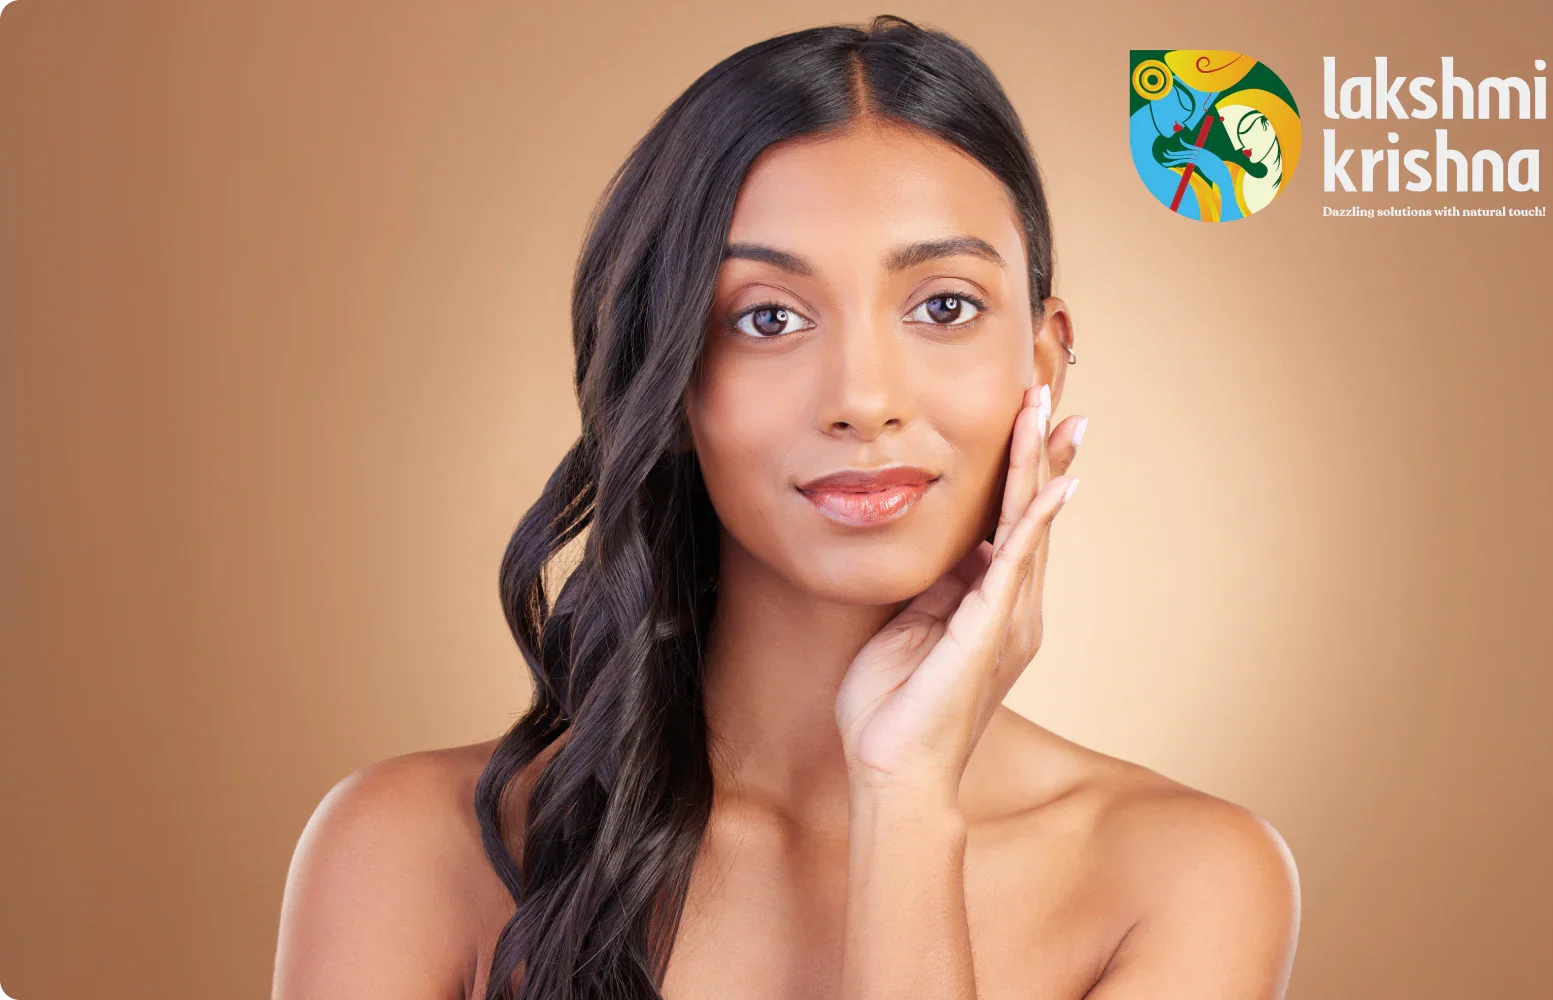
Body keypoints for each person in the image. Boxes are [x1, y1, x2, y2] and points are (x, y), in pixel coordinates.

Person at [271, 15, 1300, 999]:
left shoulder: (1184, 879)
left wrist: (904, 798)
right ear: (670, 386)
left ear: (1042, 362)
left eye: (944, 306)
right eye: (767, 317)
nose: (863, 398)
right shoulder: (412, 852)